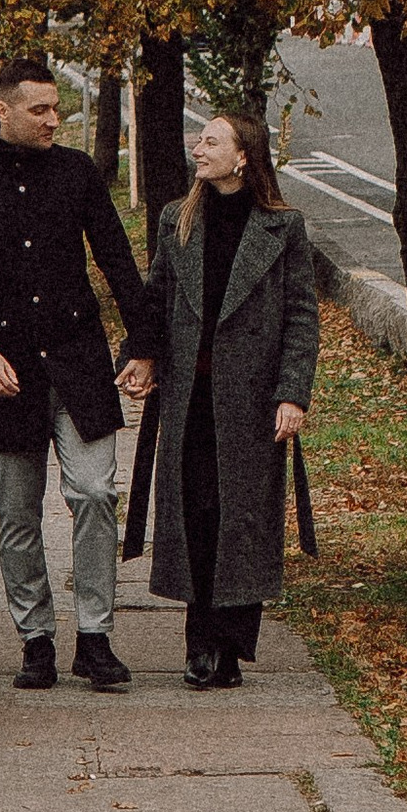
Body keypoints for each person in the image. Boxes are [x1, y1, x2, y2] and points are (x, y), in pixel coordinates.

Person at [0, 56, 148, 692]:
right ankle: (36, 638)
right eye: (41, 110)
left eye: (57, 108)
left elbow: (115, 257)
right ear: (4, 111)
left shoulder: (78, 173)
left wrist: (143, 344)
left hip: (80, 364)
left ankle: (95, 637)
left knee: (95, 494)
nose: (55, 119)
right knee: (18, 517)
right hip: (7, 374)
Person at [118, 112, 318, 688]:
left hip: (252, 401)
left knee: (243, 519)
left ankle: (231, 647)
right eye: (198, 139)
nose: (197, 149)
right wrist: (140, 355)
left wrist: (292, 394)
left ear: (243, 157)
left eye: (211, 141)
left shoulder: (284, 228)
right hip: (189, 397)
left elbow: (301, 318)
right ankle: (200, 642)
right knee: (197, 513)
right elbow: (156, 297)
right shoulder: (177, 220)